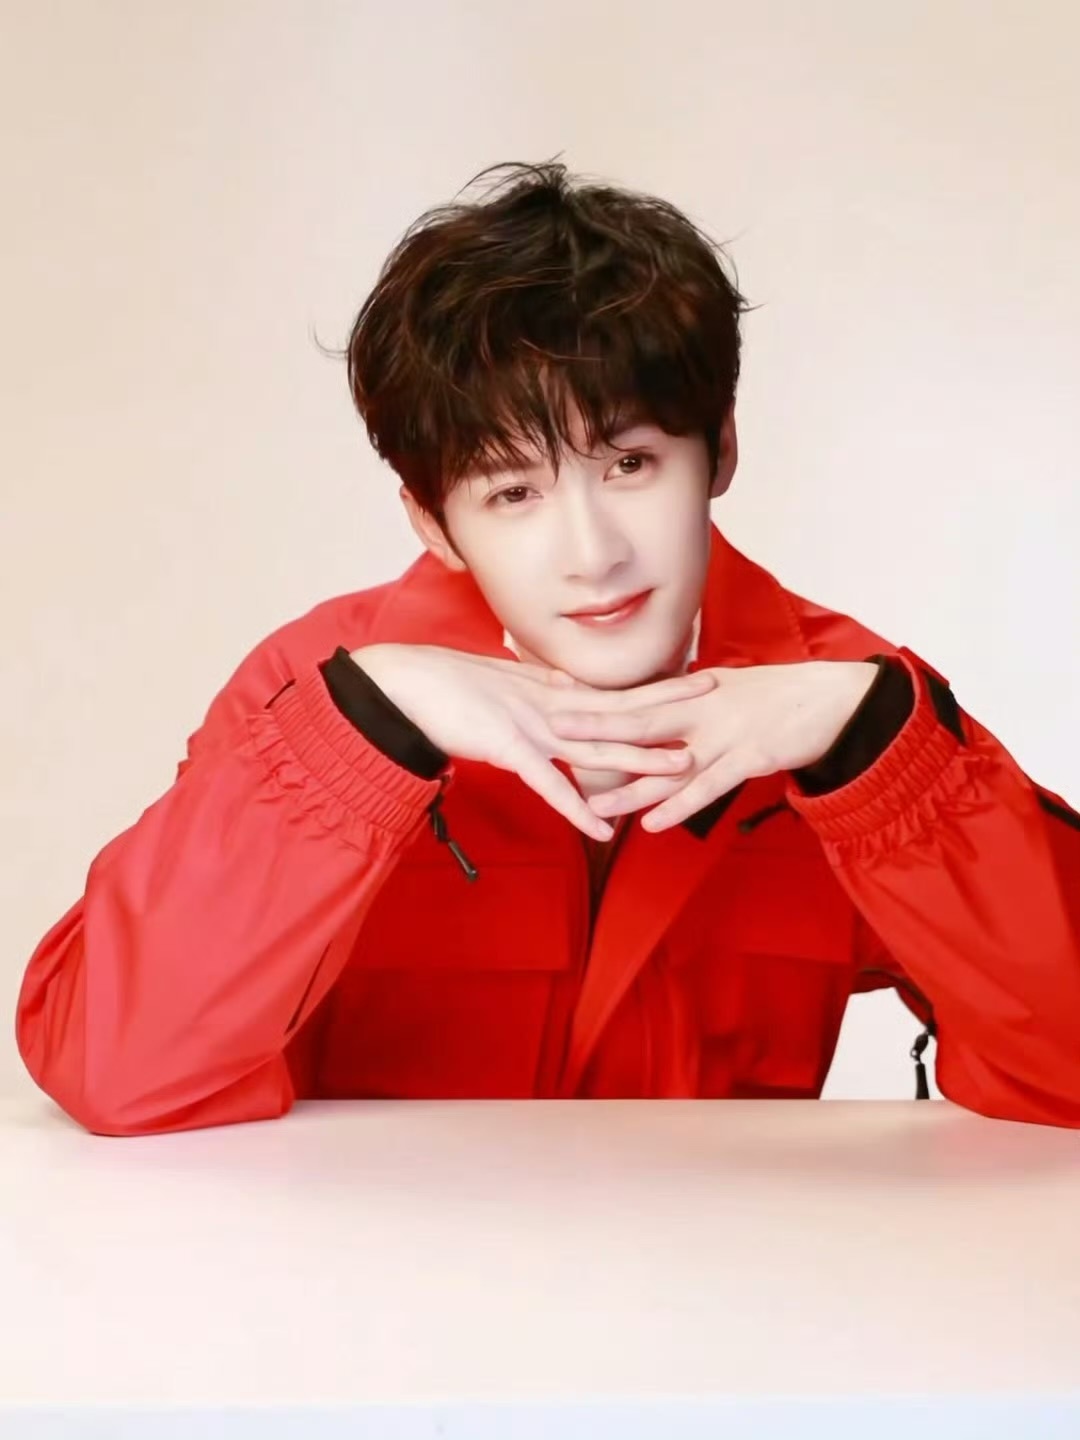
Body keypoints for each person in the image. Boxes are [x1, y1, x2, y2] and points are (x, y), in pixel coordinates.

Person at [16, 159, 1080, 1136]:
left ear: (720, 451)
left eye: (629, 464)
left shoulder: (847, 709)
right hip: (375, 1275)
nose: (593, 554)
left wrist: (879, 756)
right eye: (514, 493)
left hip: (724, 1270)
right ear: (434, 523)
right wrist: (366, 735)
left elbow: (1065, 1070)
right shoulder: (319, 692)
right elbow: (116, 1070)